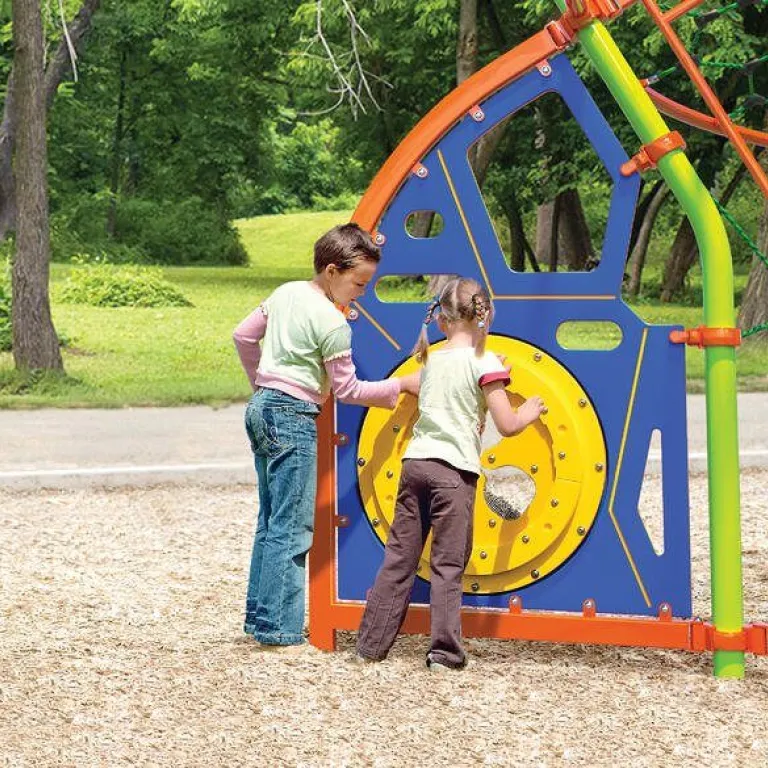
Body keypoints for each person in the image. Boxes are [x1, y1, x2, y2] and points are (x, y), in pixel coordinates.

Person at [233, 223, 420, 652]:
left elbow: (243, 335)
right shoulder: (333, 325)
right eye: (359, 283)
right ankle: (281, 630)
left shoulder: (285, 294)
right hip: (294, 415)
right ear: (333, 270)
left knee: (270, 521)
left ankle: (262, 618)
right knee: (294, 526)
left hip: (261, 408)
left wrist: (261, 382)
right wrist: (402, 386)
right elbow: (350, 391)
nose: (361, 293)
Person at [356, 277, 545, 671]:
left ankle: (370, 646)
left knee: (399, 559)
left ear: (440, 321)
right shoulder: (485, 364)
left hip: (415, 467)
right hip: (453, 474)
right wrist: (529, 410)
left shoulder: (433, 360)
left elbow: (411, 385)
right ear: (485, 315)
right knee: (447, 565)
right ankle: (443, 653)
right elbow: (507, 424)